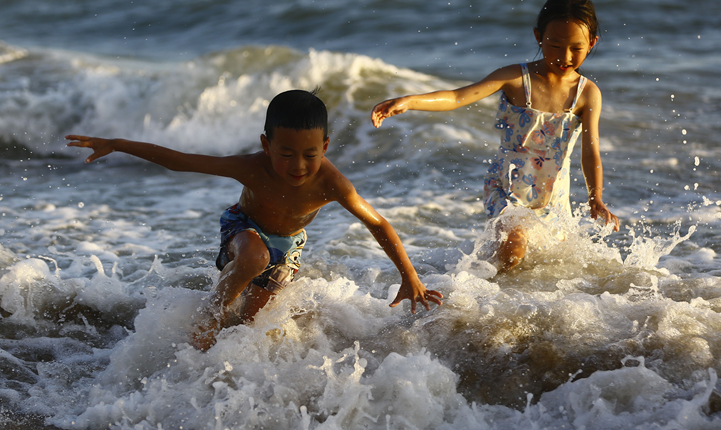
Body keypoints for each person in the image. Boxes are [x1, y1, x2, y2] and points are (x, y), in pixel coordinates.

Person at [67, 89, 442, 350]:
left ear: (325, 146)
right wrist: (118, 144)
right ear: (266, 145)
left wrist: (409, 276)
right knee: (253, 258)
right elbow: (182, 160)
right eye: (285, 153)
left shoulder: (334, 184)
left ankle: (226, 353)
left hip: (289, 248)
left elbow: (378, 224)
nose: (297, 166)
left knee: (250, 327)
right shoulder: (252, 167)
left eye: (309, 154)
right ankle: (209, 317)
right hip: (242, 228)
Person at [371, 0, 619, 270]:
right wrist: (409, 101)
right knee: (513, 250)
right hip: (508, 185)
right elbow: (456, 97)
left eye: (576, 48)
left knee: (547, 267)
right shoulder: (515, 78)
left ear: (592, 43)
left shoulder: (587, 94)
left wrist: (594, 197)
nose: (564, 56)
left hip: (554, 195)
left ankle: (505, 306)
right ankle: (476, 299)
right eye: (555, 44)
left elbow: (591, 150)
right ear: (538, 37)